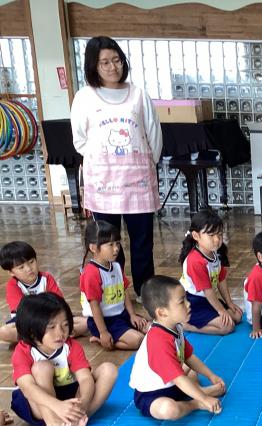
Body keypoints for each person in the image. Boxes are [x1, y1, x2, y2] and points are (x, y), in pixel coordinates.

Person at [70, 36, 162, 297]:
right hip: (104, 186)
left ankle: (145, 292)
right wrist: (105, 161)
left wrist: (144, 164)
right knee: (108, 243)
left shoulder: (138, 94)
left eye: (117, 60)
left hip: (138, 184)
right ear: (93, 65)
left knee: (142, 242)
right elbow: (80, 140)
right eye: (105, 62)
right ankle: (115, 292)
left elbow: (153, 134)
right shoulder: (84, 97)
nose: (113, 67)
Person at [10, 293, 118, 426]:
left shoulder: (71, 346)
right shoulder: (23, 351)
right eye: (52, 327)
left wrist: (83, 402)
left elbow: (85, 378)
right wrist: (57, 406)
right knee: (42, 367)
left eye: (65, 325)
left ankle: (76, 419)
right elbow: (28, 388)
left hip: (69, 398)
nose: (60, 333)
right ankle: (54, 424)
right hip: (38, 404)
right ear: (32, 331)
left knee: (109, 370)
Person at [130, 275, 226, 420]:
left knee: (190, 369)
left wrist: (211, 375)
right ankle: (196, 402)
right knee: (170, 410)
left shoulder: (176, 327)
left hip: (174, 385)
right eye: (182, 302)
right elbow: (178, 378)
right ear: (162, 312)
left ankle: (198, 392)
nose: (188, 304)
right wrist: (204, 400)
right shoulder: (157, 341)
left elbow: (189, 357)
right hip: (152, 395)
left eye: (186, 299)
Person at [1, 241, 88, 343]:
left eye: (31, 262)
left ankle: (38, 337)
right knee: (4, 331)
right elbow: (22, 311)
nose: (29, 269)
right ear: (11, 272)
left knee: (86, 322)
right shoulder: (13, 286)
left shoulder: (47, 278)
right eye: (21, 267)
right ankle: (55, 335)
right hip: (27, 322)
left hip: (52, 317)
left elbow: (59, 302)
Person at [80, 220, 148, 350]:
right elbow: (94, 306)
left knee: (151, 328)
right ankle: (100, 339)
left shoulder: (116, 266)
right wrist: (104, 332)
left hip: (121, 315)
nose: (116, 248)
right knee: (138, 340)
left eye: (117, 243)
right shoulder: (91, 273)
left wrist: (132, 314)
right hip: (105, 321)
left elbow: (124, 292)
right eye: (110, 245)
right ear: (93, 248)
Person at [180, 210, 243, 335]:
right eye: (211, 235)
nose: (217, 239)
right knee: (228, 327)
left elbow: (221, 280)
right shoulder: (195, 261)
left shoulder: (215, 253)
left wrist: (229, 303)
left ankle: (214, 317)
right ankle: (187, 325)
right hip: (191, 303)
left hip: (206, 299)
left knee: (237, 316)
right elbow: (207, 291)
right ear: (196, 236)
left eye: (219, 234)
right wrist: (221, 310)